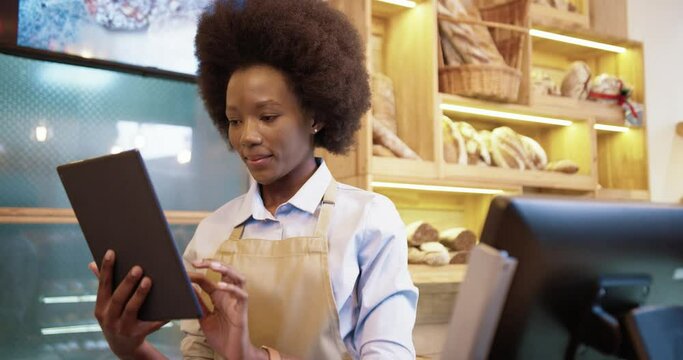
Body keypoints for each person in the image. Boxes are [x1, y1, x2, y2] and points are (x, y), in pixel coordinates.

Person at [88, 0, 419, 359]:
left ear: (316, 116)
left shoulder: (367, 220)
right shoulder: (213, 232)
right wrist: (131, 348)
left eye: (268, 116)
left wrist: (252, 356)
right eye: (234, 120)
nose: (247, 136)